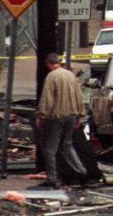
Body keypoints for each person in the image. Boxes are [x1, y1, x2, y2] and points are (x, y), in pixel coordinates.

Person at [36, 53, 87, 188]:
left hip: (57, 117)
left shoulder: (51, 76)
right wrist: (80, 115)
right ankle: (82, 171)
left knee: (50, 149)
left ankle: (52, 178)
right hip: (72, 115)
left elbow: (47, 98)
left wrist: (41, 115)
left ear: (48, 63)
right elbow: (79, 96)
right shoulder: (71, 75)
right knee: (67, 146)